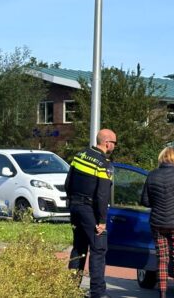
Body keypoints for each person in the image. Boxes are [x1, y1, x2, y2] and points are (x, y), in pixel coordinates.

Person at [65, 128, 116, 298]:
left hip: (75, 207)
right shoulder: (103, 164)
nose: (115, 146)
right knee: (98, 249)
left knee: (79, 248)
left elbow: (68, 182)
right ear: (107, 143)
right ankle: (98, 292)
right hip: (90, 210)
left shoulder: (79, 155)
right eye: (114, 143)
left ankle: (71, 289)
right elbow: (102, 195)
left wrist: (71, 202)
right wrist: (102, 221)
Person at [140, 147, 174, 298]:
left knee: (162, 260)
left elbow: (144, 201)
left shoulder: (152, 175)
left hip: (157, 223)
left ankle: (162, 294)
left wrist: (157, 203)